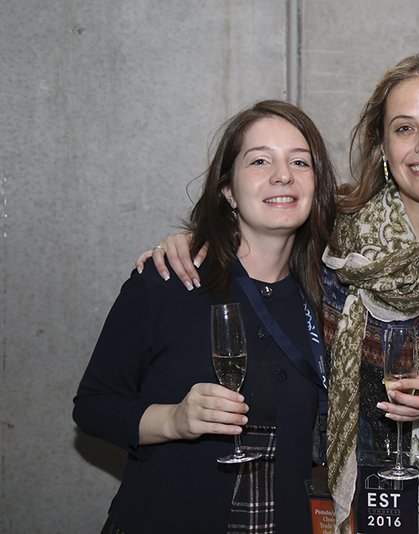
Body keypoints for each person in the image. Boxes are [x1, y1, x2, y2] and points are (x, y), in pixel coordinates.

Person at [138, 54, 419, 533]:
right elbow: (253, 238)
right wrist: (192, 242)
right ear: (382, 147)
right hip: (337, 505)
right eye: (404, 128)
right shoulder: (330, 236)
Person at [74, 100, 337, 534]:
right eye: (260, 160)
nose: (283, 175)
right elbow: (93, 407)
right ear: (228, 190)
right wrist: (173, 420)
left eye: (299, 162)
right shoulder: (169, 281)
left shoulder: (330, 298)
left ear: (316, 184)